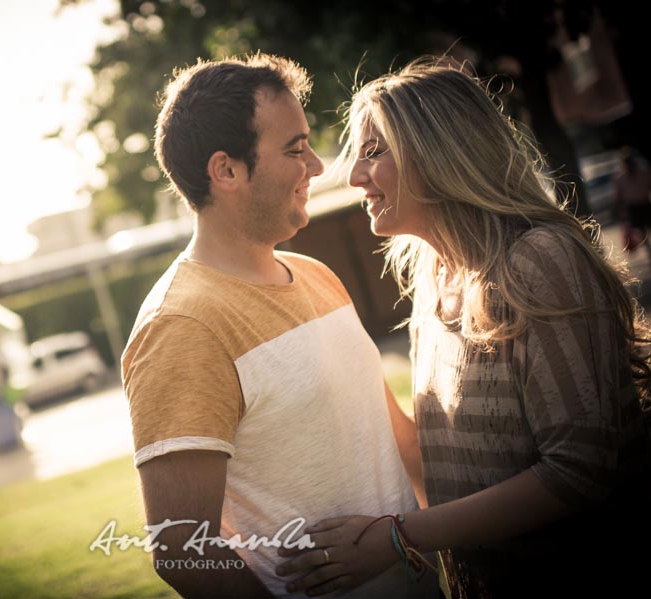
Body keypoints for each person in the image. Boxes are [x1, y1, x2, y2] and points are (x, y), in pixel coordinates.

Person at [276, 57, 651, 598]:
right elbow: (448, 468)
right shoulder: (431, 282)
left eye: (374, 151)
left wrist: (397, 538)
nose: (356, 175)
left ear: (440, 152)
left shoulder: (539, 261)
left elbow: (579, 472)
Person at [122, 53, 437, 598]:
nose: (316, 166)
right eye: (295, 149)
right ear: (226, 171)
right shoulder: (181, 325)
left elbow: (398, 443)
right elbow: (182, 550)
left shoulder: (317, 276)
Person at [613, 145, 651, 255]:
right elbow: (618, 195)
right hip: (633, 206)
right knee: (640, 231)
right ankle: (648, 250)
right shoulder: (620, 175)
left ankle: (648, 249)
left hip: (644, 202)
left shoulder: (642, 171)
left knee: (644, 228)